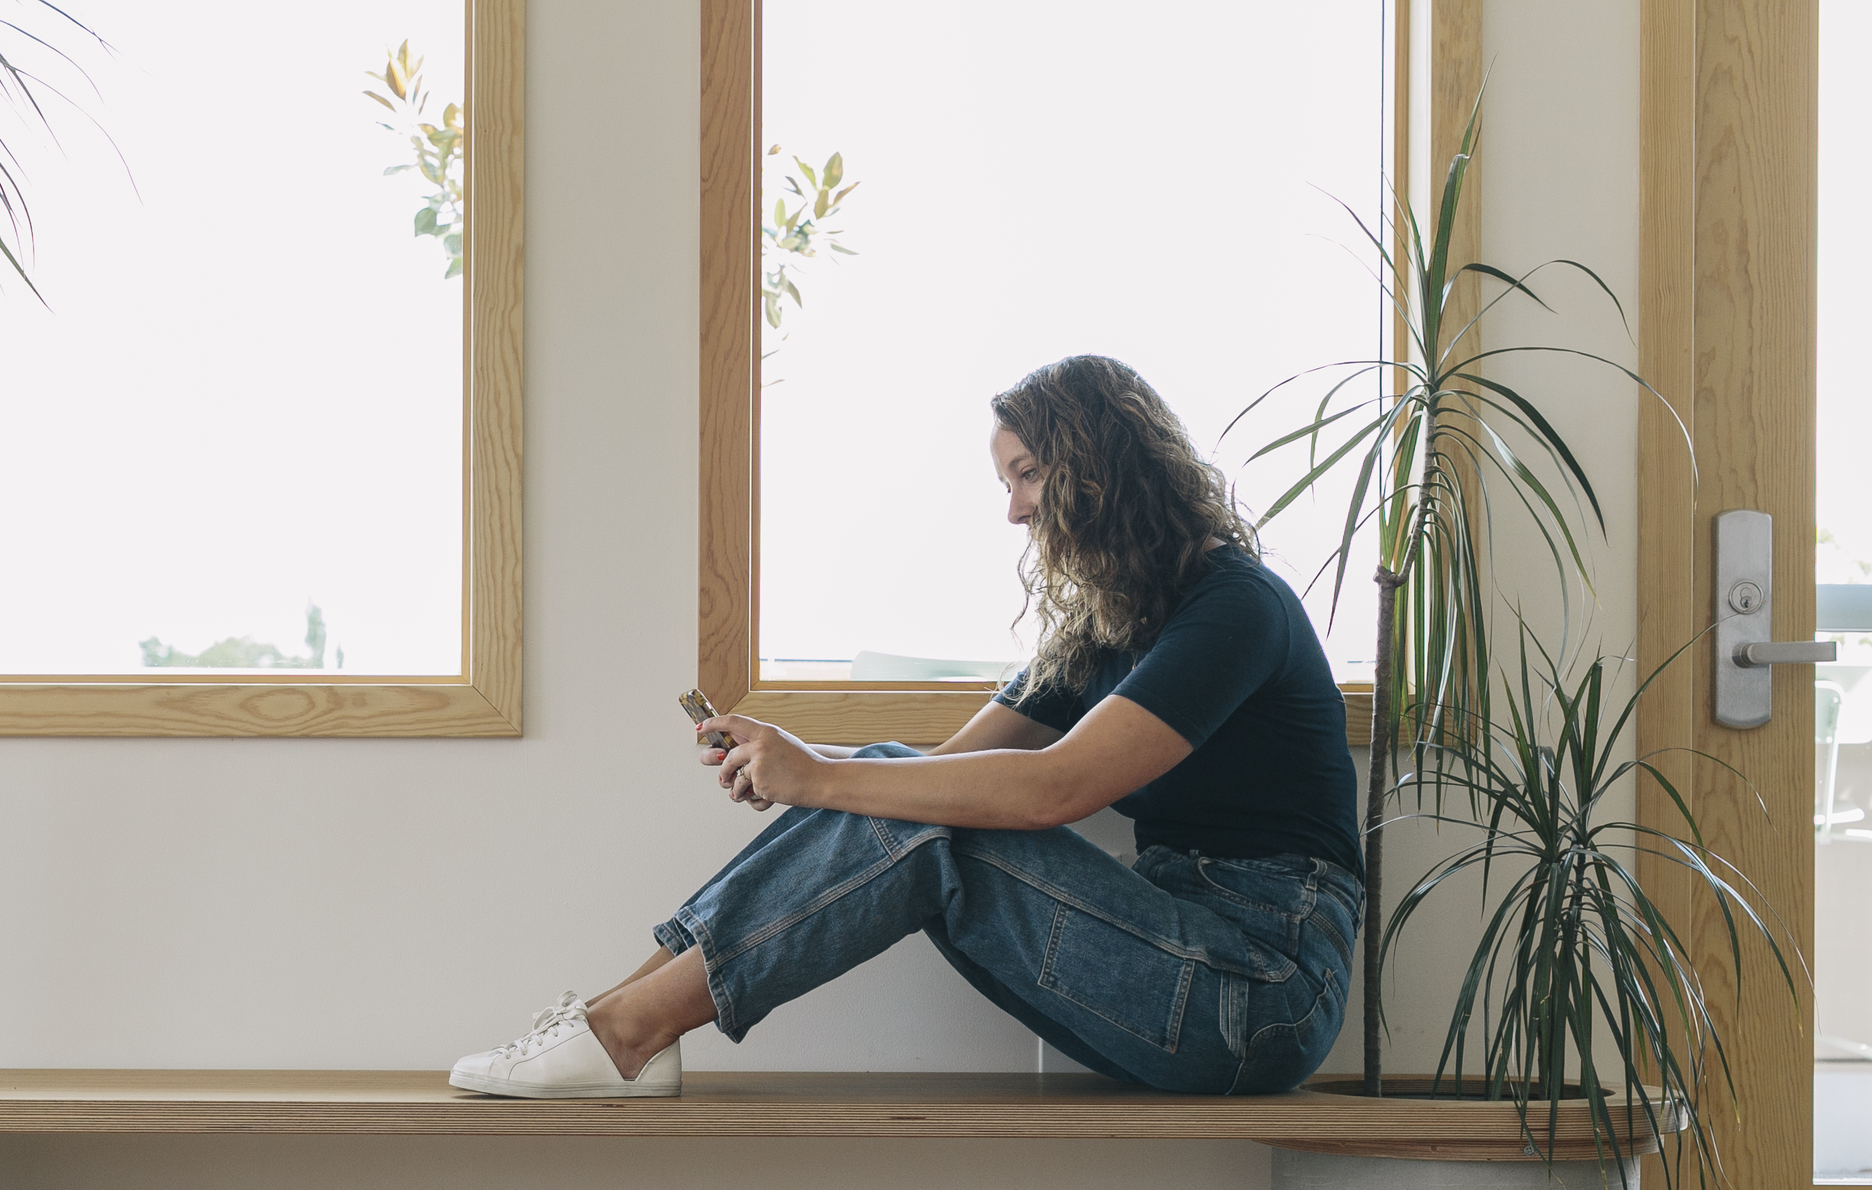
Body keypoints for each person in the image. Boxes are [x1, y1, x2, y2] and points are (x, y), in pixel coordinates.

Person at [450, 355, 1363, 1100]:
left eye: (1028, 474)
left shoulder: (1235, 607)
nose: (1014, 509)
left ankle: (623, 1035)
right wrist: (791, 759)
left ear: (1102, 466)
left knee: (901, 801)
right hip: (1172, 959)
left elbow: (1057, 790)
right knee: (897, 784)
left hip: (1256, 992)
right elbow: (942, 772)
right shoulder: (1108, 624)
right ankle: (612, 1019)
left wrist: (823, 776)